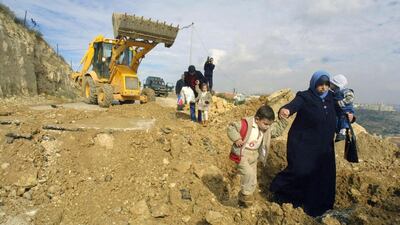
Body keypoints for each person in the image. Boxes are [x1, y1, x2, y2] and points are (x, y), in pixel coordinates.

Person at [270, 70, 353, 217]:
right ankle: (281, 194)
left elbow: (344, 112)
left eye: (326, 84)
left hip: (324, 147)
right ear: (314, 83)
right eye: (320, 84)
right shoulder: (305, 96)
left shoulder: (333, 98)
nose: (324, 87)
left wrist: (351, 118)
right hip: (303, 143)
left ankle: (318, 207)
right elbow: (293, 105)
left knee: (323, 175)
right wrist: (286, 110)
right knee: (299, 170)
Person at [227, 105, 288, 207]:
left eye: (269, 125)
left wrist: (283, 122)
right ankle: (246, 196)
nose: (267, 127)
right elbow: (231, 127)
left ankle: (242, 200)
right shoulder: (245, 124)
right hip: (242, 154)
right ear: (257, 119)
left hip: (254, 155)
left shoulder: (266, 129)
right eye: (265, 124)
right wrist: (237, 138)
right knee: (248, 175)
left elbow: (276, 131)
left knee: (253, 180)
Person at [330, 74, 355, 142]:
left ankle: (343, 132)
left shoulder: (345, 91)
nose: (330, 85)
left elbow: (350, 98)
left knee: (344, 119)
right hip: (338, 111)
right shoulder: (333, 93)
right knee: (337, 120)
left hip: (346, 110)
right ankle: (339, 133)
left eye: (331, 83)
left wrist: (341, 103)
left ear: (336, 84)